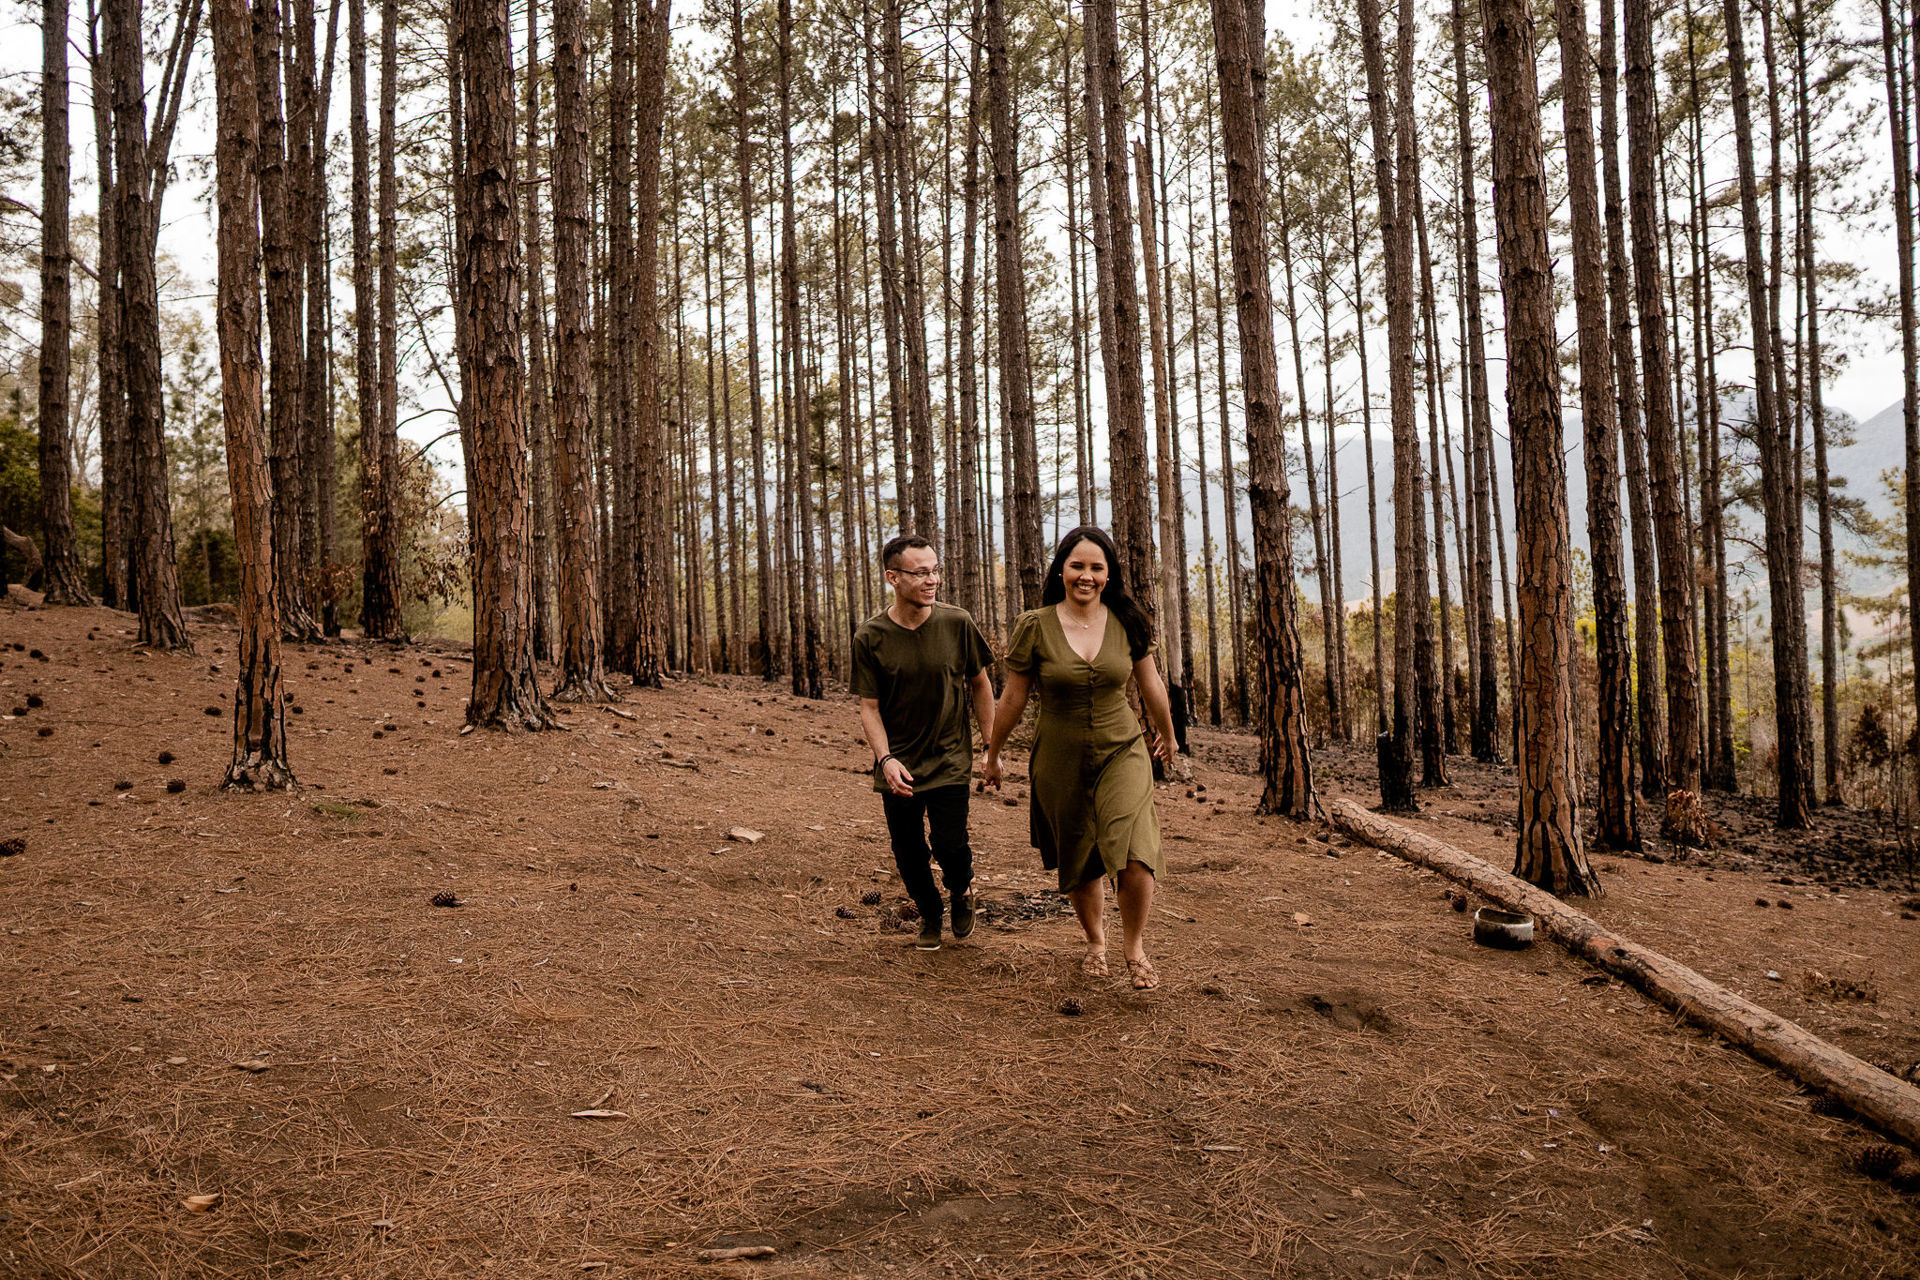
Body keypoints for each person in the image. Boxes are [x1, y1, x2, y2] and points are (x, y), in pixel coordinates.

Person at [983, 526, 1178, 990]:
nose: (1086, 576)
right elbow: (1012, 698)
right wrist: (992, 754)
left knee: (1135, 851)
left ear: (1108, 575)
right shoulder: (1035, 625)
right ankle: (1095, 941)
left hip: (1122, 749)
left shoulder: (1128, 622)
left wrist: (1168, 736)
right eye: (1077, 566)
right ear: (1061, 570)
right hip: (1059, 754)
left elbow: (1151, 684)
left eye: (1096, 567)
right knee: (1080, 854)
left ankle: (1134, 947)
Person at [851, 534, 996, 952]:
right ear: (892, 578)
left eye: (935, 570)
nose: (932, 580)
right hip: (899, 765)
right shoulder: (870, 637)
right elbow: (870, 708)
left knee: (950, 844)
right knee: (908, 851)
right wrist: (885, 759)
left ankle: (961, 889)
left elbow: (980, 685)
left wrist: (991, 747)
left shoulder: (957, 622)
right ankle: (930, 913)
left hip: (950, 758)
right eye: (921, 573)